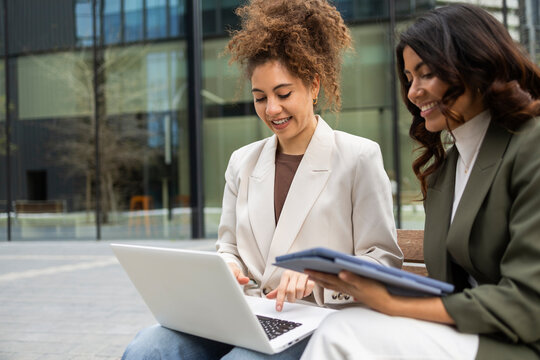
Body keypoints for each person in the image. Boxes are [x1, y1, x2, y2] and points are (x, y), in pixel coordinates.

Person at [121, 0, 402, 359]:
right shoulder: (243, 161)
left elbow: (383, 261)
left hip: (320, 319)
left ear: (314, 86)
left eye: (284, 94)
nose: (272, 109)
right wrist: (228, 269)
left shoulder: (358, 157)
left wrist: (320, 277)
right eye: (260, 98)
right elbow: (229, 248)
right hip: (249, 313)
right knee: (149, 348)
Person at [302, 3, 540, 359]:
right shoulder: (447, 169)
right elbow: (450, 286)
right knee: (342, 324)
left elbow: (527, 301)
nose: (412, 93)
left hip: (521, 344)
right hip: (470, 334)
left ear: (474, 64)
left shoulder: (530, 144)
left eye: (426, 73)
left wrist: (390, 303)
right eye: (409, 78)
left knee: (341, 333)